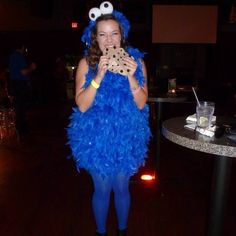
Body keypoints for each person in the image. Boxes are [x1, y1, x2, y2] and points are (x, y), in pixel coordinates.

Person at [67, 2, 151, 236]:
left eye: (114, 33)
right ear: (95, 37)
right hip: (95, 138)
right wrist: (100, 75)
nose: (109, 39)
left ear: (121, 34)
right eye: (102, 34)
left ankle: (122, 231)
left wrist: (131, 76)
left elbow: (142, 102)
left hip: (126, 135)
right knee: (102, 189)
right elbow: (82, 105)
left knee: (122, 187)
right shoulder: (86, 64)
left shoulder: (137, 62)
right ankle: (101, 232)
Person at [8, 41, 36, 135]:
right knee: (21, 107)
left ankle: (20, 128)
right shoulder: (19, 57)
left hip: (14, 84)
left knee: (19, 107)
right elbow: (23, 72)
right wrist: (32, 68)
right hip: (20, 84)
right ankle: (22, 129)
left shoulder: (12, 56)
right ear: (23, 47)